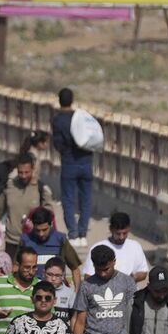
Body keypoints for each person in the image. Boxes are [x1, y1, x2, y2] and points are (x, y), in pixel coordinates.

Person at [73, 245, 136, 334]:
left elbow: (133, 317)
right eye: (98, 270)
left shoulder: (127, 283)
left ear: (114, 261)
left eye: (106, 269)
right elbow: (80, 321)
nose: (102, 274)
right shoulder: (86, 286)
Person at [0, 155, 50, 257]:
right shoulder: (10, 187)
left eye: (26, 172)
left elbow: (49, 214)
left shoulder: (40, 189)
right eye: (20, 172)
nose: (23, 176)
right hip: (12, 242)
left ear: (32, 169)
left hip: (34, 241)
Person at [51, 88, 94, 243]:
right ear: (72, 100)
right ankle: (83, 234)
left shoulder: (58, 120)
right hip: (86, 162)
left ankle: (73, 233)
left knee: (68, 199)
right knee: (86, 199)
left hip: (69, 163)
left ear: (59, 100)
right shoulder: (81, 117)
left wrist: (66, 151)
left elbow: (57, 143)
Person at [80, 213, 150, 284]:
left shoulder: (135, 246)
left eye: (124, 233)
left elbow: (143, 272)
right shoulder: (97, 248)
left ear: (129, 229)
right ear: (111, 229)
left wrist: (131, 279)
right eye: (118, 234)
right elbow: (88, 276)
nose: (121, 237)